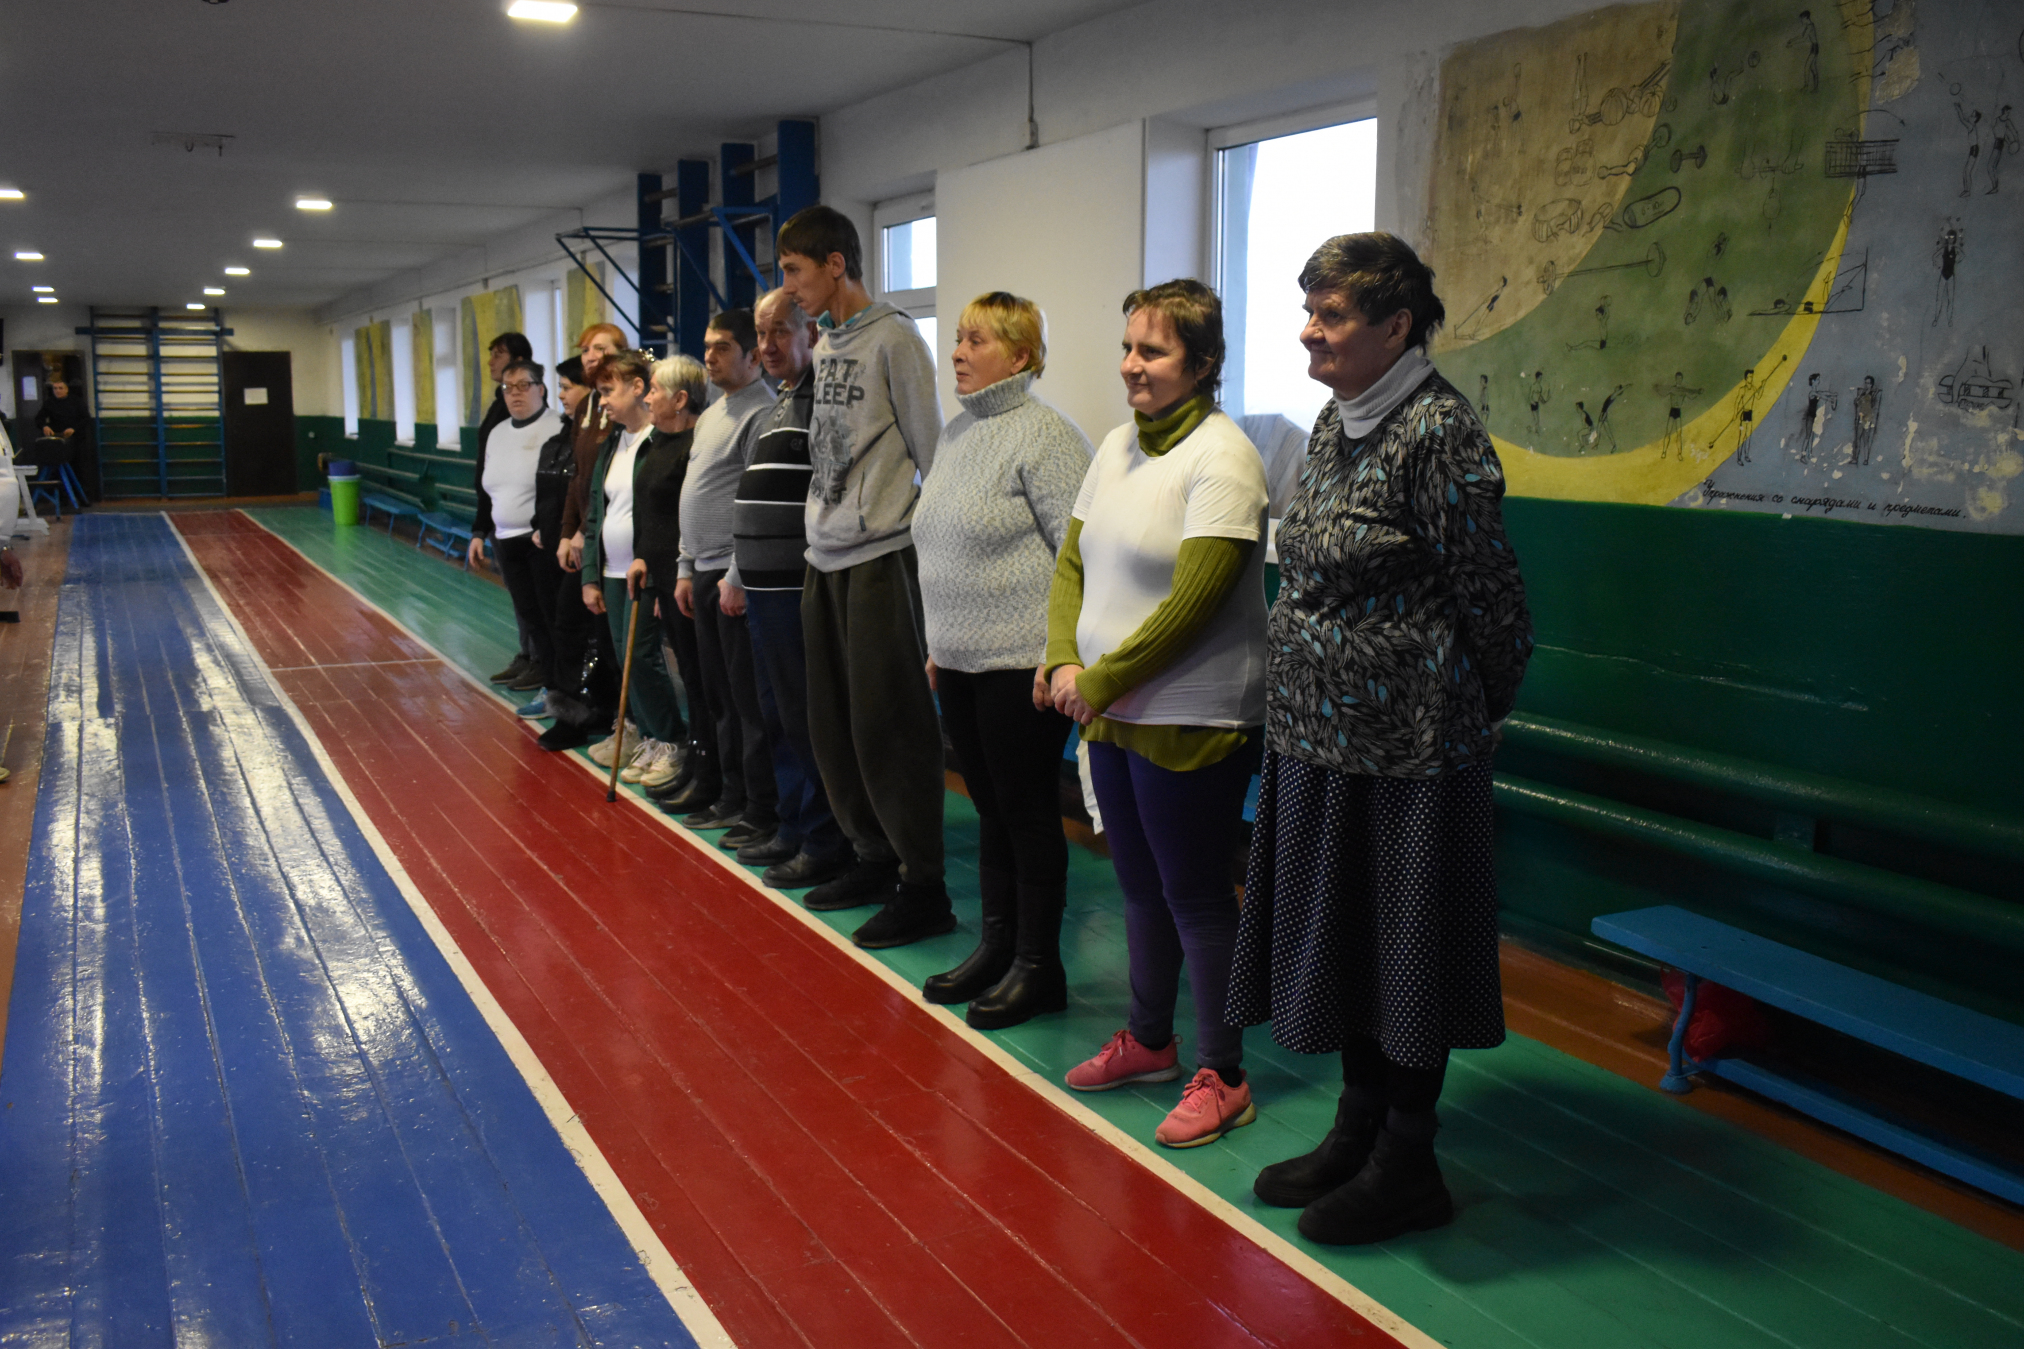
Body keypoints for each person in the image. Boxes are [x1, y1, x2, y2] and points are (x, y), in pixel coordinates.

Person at [1229, 233, 1532, 1246]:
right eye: (1308, 310)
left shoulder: (1438, 431)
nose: (1308, 331)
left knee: (1403, 952)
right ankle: (1356, 1126)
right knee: (1349, 942)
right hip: (1317, 740)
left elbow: (1491, 595)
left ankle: (1407, 1159)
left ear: (1396, 326)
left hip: (1408, 754)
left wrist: (1472, 711)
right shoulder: (1335, 419)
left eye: (1332, 315)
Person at [1044, 279, 1268, 1149]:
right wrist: (1063, 657)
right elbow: (1073, 563)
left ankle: (1225, 1074)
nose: (1132, 365)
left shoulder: (1224, 458)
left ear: (1203, 363)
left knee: (1196, 895)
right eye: (1129, 347)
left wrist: (1099, 679)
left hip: (1190, 715)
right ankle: (1149, 1040)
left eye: (1155, 350)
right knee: (1138, 885)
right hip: (1111, 709)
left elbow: (1197, 603)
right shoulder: (1115, 446)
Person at [776, 205, 951, 949]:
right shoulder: (825, 343)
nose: (789, 288)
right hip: (823, 558)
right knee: (834, 724)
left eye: (795, 271)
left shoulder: (895, 339)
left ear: (836, 264)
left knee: (889, 727)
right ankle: (871, 856)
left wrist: (933, 572)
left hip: (880, 557)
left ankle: (924, 884)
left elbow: (933, 456)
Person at [914, 292, 1089, 1029]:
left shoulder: (1047, 436)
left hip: (1022, 665)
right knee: (990, 809)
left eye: (976, 340)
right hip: (957, 660)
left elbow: (1079, 557)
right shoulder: (957, 433)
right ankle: (997, 948)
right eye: (957, 337)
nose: (957, 351)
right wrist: (938, 646)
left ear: (1020, 355)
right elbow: (940, 542)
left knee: (1026, 811)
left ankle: (1039, 967)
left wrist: (1060, 654)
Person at [728, 289, 853, 889]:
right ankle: (792, 826)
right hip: (761, 589)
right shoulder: (779, 402)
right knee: (777, 715)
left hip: (797, 588)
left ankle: (826, 839)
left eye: (780, 330)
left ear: (813, 334)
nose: (767, 345)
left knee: (807, 720)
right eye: (761, 333)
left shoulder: (824, 400)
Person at [669, 310, 779, 849]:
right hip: (704, 571)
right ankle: (730, 793)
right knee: (717, 697)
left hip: (735, 578)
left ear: (753, 356)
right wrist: (685, 566)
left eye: (722, 347)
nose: (709, 356)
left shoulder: (762, 413)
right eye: (707, 346)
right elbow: (696, 492)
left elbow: (759, 502)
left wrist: (736, 574)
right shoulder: (713, 413)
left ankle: (760, 807)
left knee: (746, 703)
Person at [579, 351, 686, 784]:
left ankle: (671, 741)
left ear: (638, 388)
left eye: (608, 391)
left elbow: (665, 516)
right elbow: (596, 512)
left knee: (641, 657)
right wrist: (590, 575)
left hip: (644, 572)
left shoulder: (658, 441)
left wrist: (661, 575)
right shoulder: (612, 444)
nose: (602, 401)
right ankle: (647, 736)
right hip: (612, 570)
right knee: (624, 661)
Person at [469, 359, 566, 703]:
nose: (515, 394)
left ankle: (560, 687)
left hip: (541, 542)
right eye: (508, 388)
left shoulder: (558, 427)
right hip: (505, 539)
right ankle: (546, 678)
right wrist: (479, 531)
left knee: (552, 617)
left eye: (524, 385)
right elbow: (487, 489)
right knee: (529, 616)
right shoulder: (497, 433)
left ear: (541, 388)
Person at [531, 356, 615, 750]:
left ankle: (613, 714)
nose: (562, 395)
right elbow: (579, 482)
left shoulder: (617, 420)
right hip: (584, 539)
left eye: (567, 386)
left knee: (603, 637)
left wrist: (583, 531)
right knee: (568, 625)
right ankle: (573, 713)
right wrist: (569, 531)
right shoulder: (586, 415)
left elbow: (605, 487)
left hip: (608, 543)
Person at [479, 332, 537, 688]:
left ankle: (540, 660)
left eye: (498, 355)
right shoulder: (498, 411)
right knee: (519, 598)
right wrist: (481, 523)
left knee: (533, 599)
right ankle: (528, 654)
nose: (491, 362)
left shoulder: (529, 417)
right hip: (500, 517)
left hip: (527, 526)